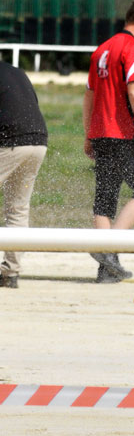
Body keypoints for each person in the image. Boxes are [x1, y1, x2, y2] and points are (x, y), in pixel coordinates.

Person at [84, 0, 134, 283]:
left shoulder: (101, 49)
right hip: (126, 134)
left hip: (101, 133)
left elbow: (89, 96)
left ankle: (107, 271)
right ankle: (107, 249)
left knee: (105, 200)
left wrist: (88, 133)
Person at [0, 62, 48, 289]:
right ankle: (11, 272)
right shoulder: (16, 71)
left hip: (10, 142)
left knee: (16, 208)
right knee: (17, 208)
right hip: (38, 142)